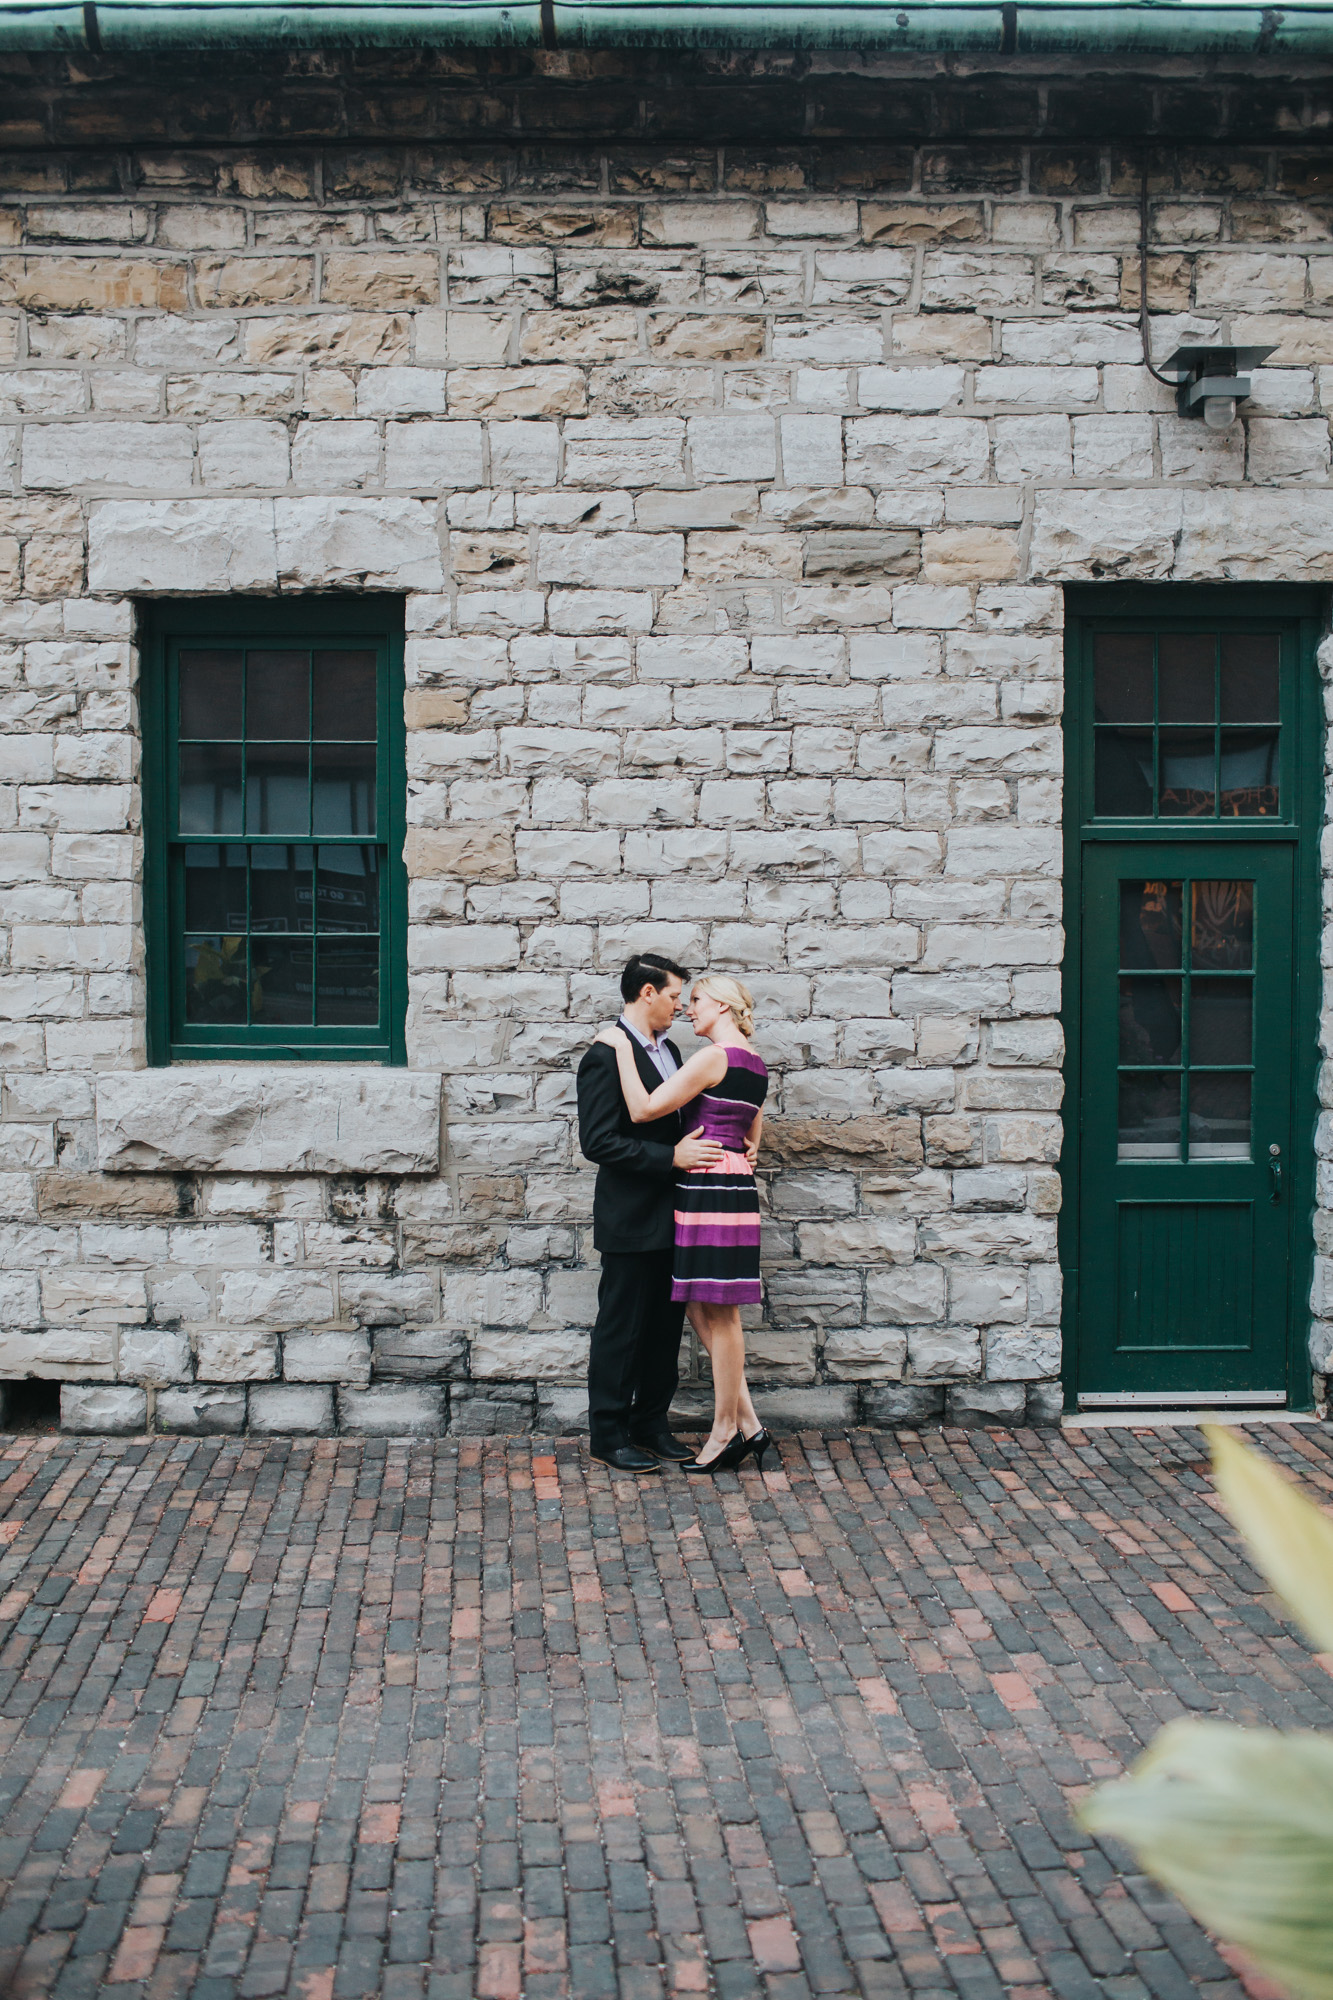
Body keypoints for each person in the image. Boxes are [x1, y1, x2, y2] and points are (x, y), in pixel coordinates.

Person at [595, 973, 770, 1476]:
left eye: (695, 1001)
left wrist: (622, 1049)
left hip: (709, 1189)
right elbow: (752, 1124)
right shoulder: (755, 1064)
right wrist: (747, 1143)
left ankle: (724, 1431)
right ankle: (750, 1422)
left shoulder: (712, 1057)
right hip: (732, 1182)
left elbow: (645, 1107)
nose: (689, 1008)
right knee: (701, 1301)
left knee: (720, 1310)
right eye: (685, 999)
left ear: (721, 1005)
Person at [576, 953, 726, 1474]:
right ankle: (608, 1434)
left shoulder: (672, 1050)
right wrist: (671, 1158)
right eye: (672, 996)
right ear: (646, 992)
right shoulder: (603, 1054)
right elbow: (597, 1142)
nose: (679, 1007)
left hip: (677, 1211)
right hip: (630, 1214)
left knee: (665, 1327)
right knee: (622, 1327)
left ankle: (651, 1424)